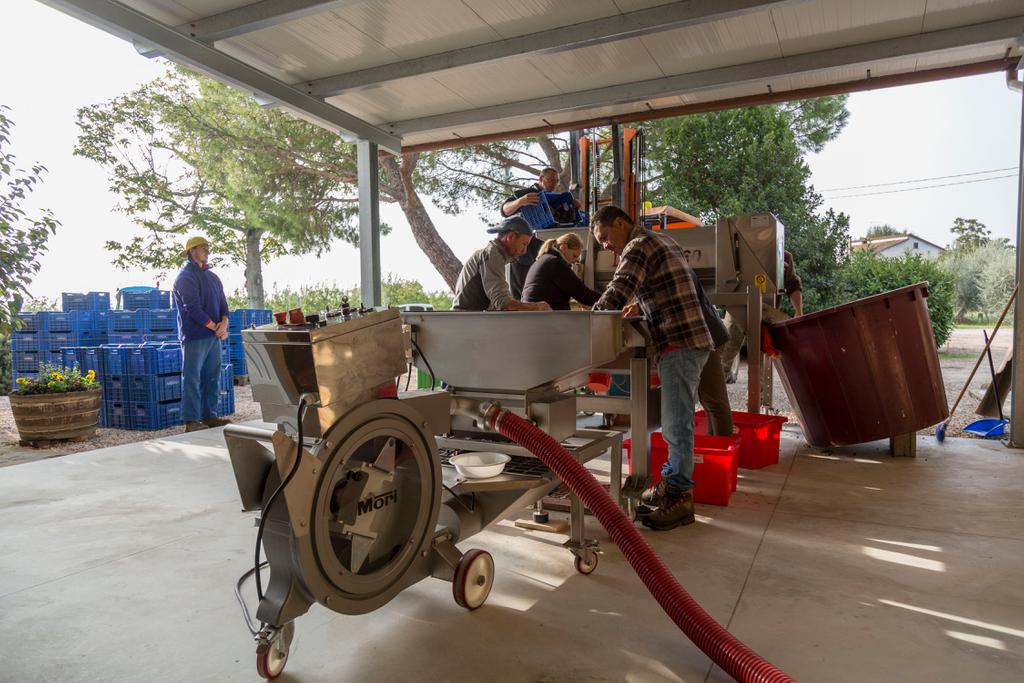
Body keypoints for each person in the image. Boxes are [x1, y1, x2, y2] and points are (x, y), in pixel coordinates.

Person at [590, 205, 712, 531]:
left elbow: (618, 290)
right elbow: (655, 287)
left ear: (619, 223)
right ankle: (671, 486)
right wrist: (641, 304)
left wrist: (585, 324)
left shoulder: (638, 244)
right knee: (675, 424)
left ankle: (680, 498)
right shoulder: (661, 240)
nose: (605, 246)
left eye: (604, 237)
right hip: (685, 340)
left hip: (680, 342)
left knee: (676, 427)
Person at [173, 236, 231, 433]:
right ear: (192, 251)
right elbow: (193, 309)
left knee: (212, 376)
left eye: (208, 247)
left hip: (214, 336)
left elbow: (224, 304)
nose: (207, 251)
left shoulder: (213, 277)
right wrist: (216, 327)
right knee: (192, 378)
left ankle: (210, 416)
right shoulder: (185, 277)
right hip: (194, 336)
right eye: (203, 248)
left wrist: (224, 323)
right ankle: (191, 420)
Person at [720, 250, 803, 384]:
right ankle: (715, 398)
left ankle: (757, 400)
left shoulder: (784, 255)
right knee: (725, 353)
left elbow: (793, 284)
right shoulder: (737, 249)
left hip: (766, 309)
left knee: (761, 357)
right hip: (738, 306)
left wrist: (799, 311)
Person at [501, 167, 581, 299]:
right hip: (523, 257)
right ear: (540, 179)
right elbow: (505, 210)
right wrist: (521, 201)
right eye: (550, 180)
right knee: (521, 296)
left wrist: (574, 205)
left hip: (541, 255)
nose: (553, 184)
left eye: (556, 181)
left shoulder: (556, 199)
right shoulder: (527, 193)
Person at [452, 216, 553, 312]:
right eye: (524, 244)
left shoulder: (495, 255)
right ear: (511, 237)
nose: (524, 251)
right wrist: (537, 307)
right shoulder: (492, 255)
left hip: (472, 319)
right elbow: (504, 303)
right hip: (466, 321)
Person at [521, 233, 600, 310]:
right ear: (564, 247)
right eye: (574, 256)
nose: (574, 261)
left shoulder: (543, 259)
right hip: (546, 315)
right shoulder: (555, 262)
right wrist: (607, 300)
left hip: (533, 313)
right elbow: (581, 292)